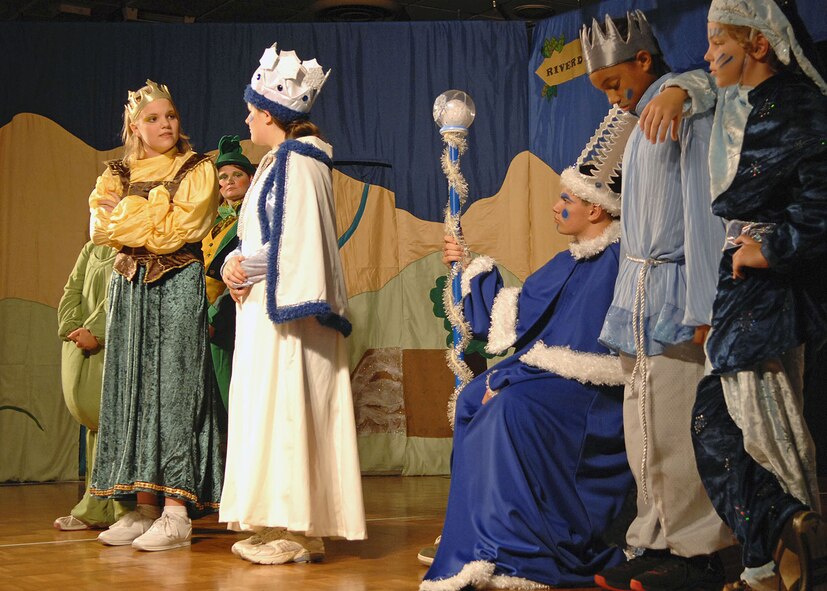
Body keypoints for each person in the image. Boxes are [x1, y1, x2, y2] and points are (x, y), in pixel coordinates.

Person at [638, 1, 827, 589]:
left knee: (751, 421)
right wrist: (681, 89)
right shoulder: (744, 100)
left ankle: (789, 541)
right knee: (731, 423)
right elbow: (703, 83)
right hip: (742, 283)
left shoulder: (796, 104)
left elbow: (820, 200)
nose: (706, 52)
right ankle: (771, 553)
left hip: (768, 289)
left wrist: (769, 249)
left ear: (758, 45)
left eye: (718, 41)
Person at [420, 107, 636, 590]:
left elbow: (587, 353)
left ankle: (516, 543)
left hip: (591, 392)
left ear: (595, 209)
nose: (556, 207)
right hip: (553, 378)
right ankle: (477, 536)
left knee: (510, 407)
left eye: (565, 200)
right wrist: (469, 266)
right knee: (473, 398)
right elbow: (515, 314)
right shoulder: (571, 260)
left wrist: (511, 378)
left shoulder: (617, 262)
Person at [582, 11, 734, 591]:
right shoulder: (643, 118)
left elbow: (702, 212)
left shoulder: (684, 107)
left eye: (615, 83)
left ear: (644, 59)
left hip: (674, 289)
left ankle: (697, 552)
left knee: (677, 426)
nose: (613, 98)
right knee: (641, 427)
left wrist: (704, 304)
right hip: (639, 294)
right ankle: (652, 539)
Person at [218, 44, 366, 564]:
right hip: (265, 312)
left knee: (290, 411)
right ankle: (275, 519)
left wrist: (248, 267)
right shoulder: (278, 162)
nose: (247, 119)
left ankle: (301, 530)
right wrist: (235, 263)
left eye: (251, 111)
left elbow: (300, 241)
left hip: (291, 318)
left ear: (268, 114)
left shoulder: (299, 161)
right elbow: (262, 235)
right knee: (267, 410)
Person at [87, 79, 224, 552]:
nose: (165, 124)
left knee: (175, 389)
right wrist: (150, 210)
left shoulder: (197, 167)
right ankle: (143, 507)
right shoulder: (115, 172)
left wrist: (128, 212)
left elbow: (180, 232)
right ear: (134, 127)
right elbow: (100, 230)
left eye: (171, 116)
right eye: (153, 118)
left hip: (176, 283)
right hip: (129, 287)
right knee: (132, 387)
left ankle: (176, 512)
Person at [54, 240, 133, 531]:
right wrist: (71, 326)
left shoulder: (134, 246)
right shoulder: (92, 249)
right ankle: (96, 505)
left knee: (118, 422)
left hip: (116, 341)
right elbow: (73, 288)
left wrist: (96, 331)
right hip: (83, 340)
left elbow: (120, 293)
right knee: (96, 425)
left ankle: (124, 507)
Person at [202, 135, 255, 408]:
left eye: (237, 175)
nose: (230, 181)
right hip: (201, 317)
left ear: (250, 179)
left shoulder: (252, 218)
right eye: (223, 176)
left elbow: (244, 271)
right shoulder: (211, 223)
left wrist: (214, 317)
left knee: (230, 397)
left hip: (229, 317)